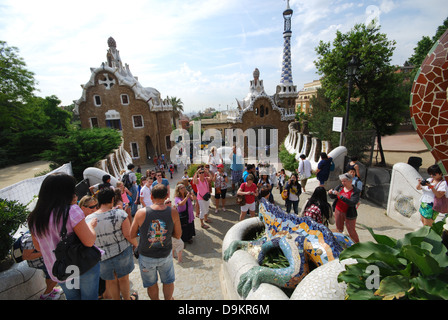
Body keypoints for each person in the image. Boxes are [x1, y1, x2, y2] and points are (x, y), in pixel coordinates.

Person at [27, 172, 100, 300]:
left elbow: (39, 247)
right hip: (83, 264)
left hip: (60, 268)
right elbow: (89, 241)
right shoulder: (72, 210)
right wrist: (90, 226)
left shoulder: (34, 218)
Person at [130, 184, 182, 300]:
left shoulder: (141, 213)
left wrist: (143, 236)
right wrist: (167, 234)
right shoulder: (173, 212)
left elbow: (132, 234)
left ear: (151, 196)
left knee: (151, 284)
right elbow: (178, 235)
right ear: (167, 196)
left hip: (146, 256)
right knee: (168, 281)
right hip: (165, 254)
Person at [85, 188, 138, 300]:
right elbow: (128, 235)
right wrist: (137, 245)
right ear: (112, 199)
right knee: (124, 279)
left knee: (111, 281)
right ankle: (127, 299)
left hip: (103, 256)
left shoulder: (88, 219)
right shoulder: (120, 214)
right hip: (122, 252)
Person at [21, 232, 62, 300]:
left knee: (49, 276)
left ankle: (50, 290)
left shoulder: (35, 231)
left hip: (43, 260)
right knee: (58, 275)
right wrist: (45, 251)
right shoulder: (31, 238)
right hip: (39, 262)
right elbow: (26, 256)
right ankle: (45, 295)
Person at [329, 173, 360, 243]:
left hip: (349, 213)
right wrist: (330, 193)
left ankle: (356, 245)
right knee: (339, 229)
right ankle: (340, 243)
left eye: (345, 181)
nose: (343, 183)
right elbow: (333, 197)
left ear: (350, 181)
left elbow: (352, 202)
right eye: (342, 181)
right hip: (338, 210)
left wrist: (341, 196)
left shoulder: (355, 191)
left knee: (351, 231)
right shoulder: (340, 187)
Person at [166, 198, 184, 263]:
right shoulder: (167, 211)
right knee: (180, 244)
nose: (169, 203)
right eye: (167, 202)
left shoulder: (170, 210)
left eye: (170, 202)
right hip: (171, 232)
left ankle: (173, 255)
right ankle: (180, 260)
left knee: (173, 244)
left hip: (171, 232)